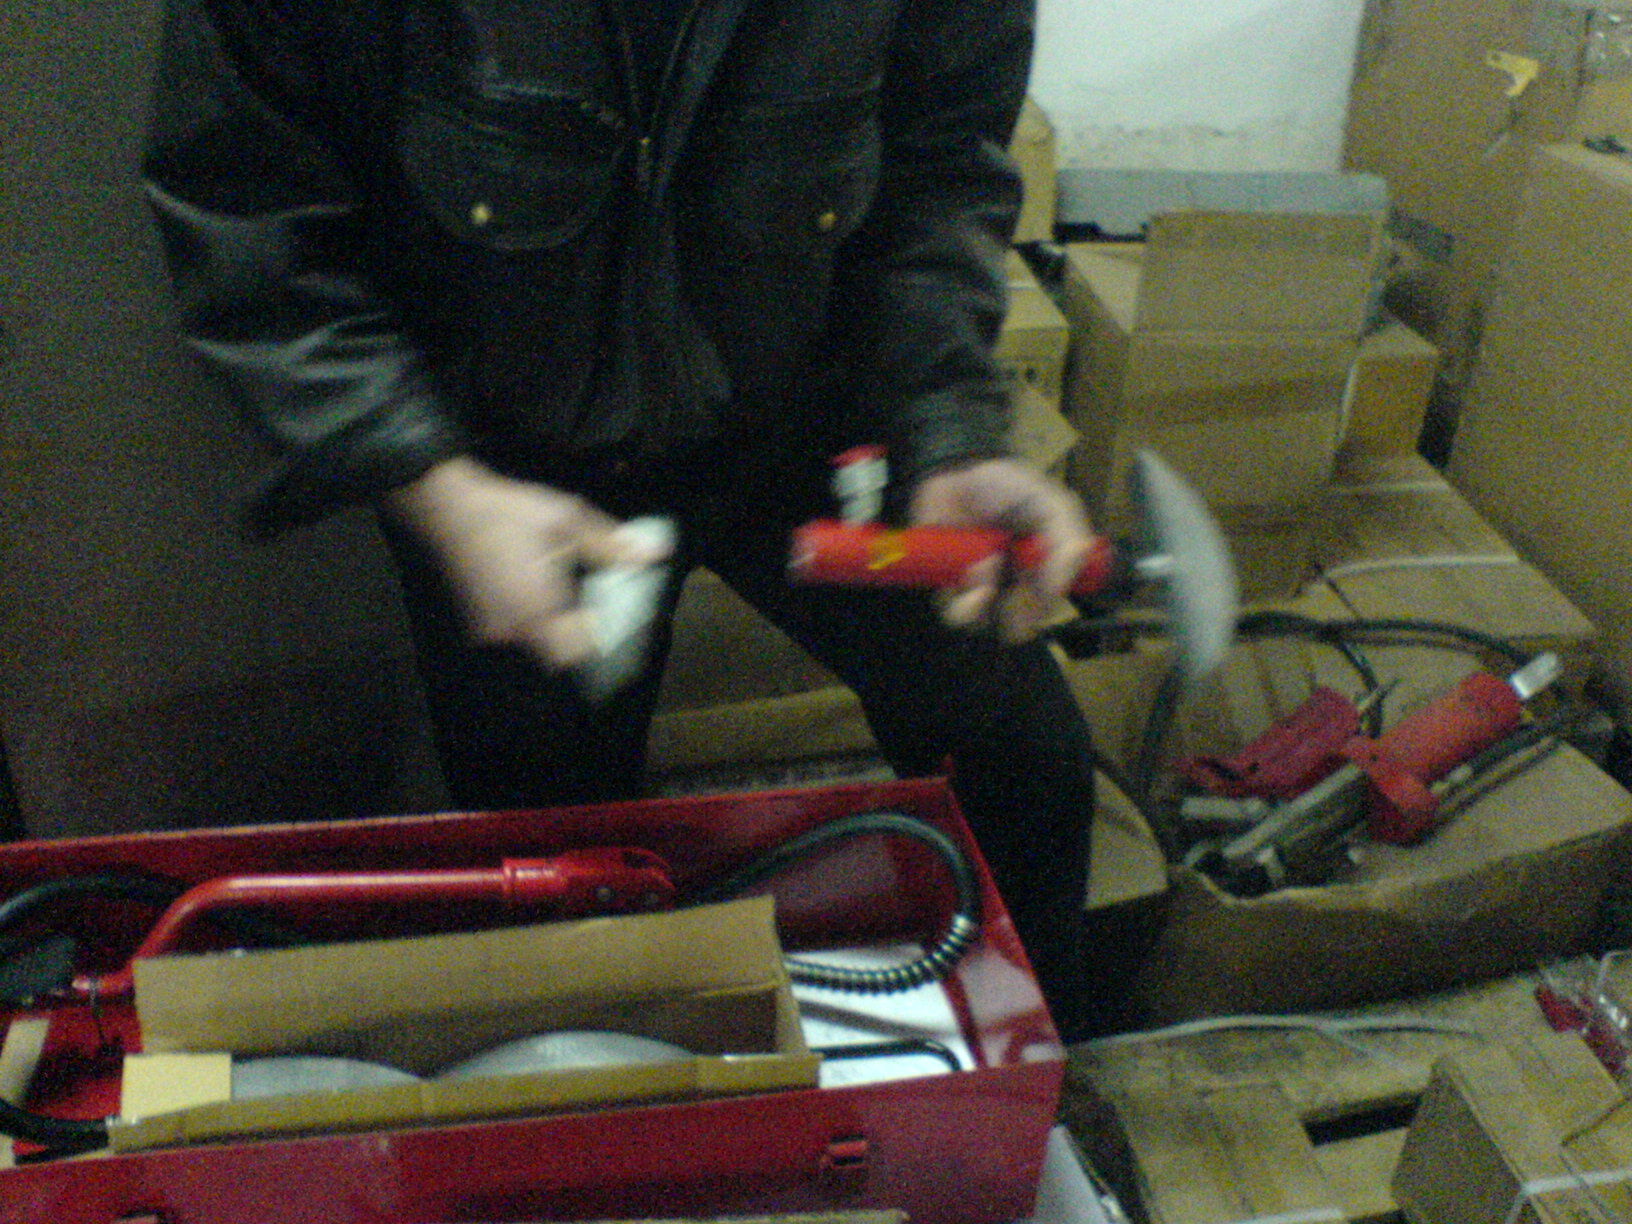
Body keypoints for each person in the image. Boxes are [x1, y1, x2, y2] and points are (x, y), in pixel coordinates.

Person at [142, 0, 1111, 1038]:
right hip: (509, 470)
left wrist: (952, 428)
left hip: (815, 424)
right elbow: (249, 216)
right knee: (552, 855)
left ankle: (1042, 1084)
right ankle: (597, 1085)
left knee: (1025, 758)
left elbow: (940, 171)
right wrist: (437, 488)